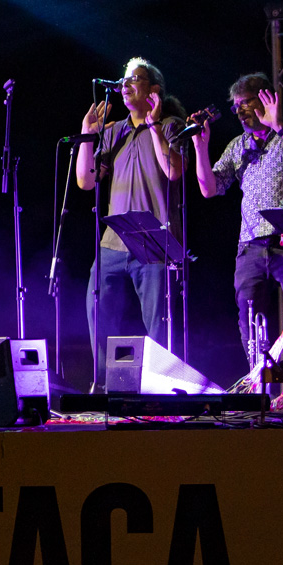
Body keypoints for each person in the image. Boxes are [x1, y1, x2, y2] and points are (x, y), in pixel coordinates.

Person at [75, 56, 187, 382]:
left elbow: (175, 170)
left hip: (155, 242)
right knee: (97, 309)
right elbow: (86, 180)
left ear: (153, 90)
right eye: (123, 80)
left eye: (134, 79)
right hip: (114, 242)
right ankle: (104, 384)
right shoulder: (115, 133)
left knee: (158, 321)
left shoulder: (170, 127)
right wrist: (87, 133)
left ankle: (164, 387)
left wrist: (152, 126)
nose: (125, 85)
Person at [192, 74, 283, 366]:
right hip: (250, 247)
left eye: (246, 102)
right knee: (249, 317)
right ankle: (260, 383)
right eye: (236, 107)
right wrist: (200, 147)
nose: (240, 111)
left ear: (265, 98)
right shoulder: (238, 145)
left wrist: (278, 125)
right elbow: (209, 188)